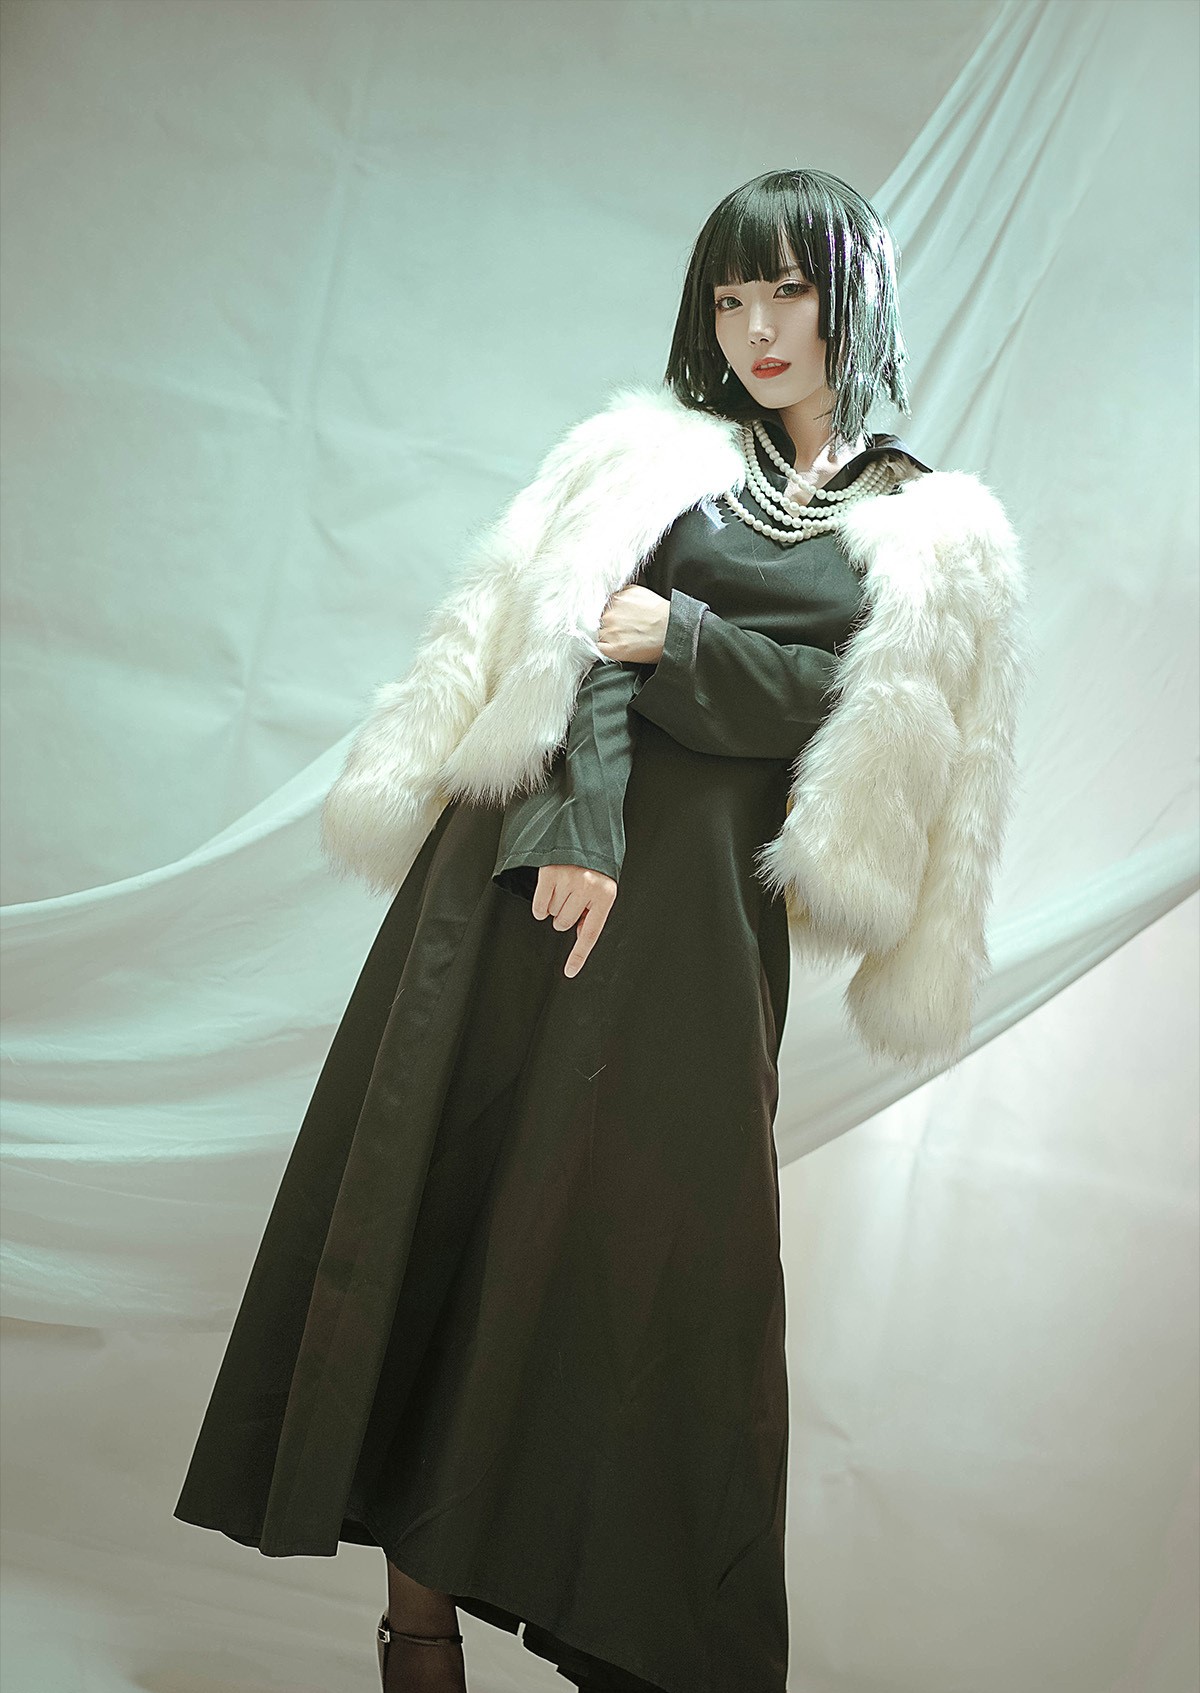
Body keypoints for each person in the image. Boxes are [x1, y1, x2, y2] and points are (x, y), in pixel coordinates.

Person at [173, 168, 1027, 1693]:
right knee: (461, 1212)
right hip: (531, 886)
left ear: (854, 303)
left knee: (660, 1269)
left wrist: (687, 635)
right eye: (732, 296)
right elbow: (576, 642)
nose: (759, 328)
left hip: (703, 934)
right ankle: (417, 1634)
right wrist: (581, 828)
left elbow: (856, 724)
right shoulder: (654, 461)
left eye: (790, 291)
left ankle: (642, 1641)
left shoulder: (931, 535)